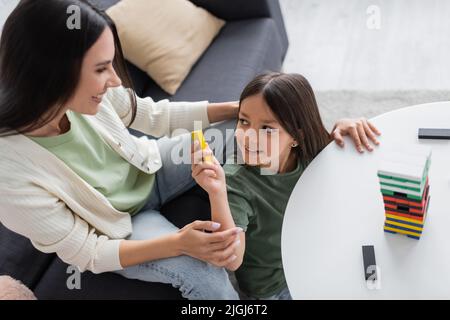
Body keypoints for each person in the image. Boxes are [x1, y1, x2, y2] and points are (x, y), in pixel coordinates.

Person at [191, 72, 381, 300]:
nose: (249, 136)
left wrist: (344, 124)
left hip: (316, 255)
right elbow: (232, 260)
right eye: (244, 121)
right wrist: (217, 192)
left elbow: (349, 173)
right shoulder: (235, 181)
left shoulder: (309, 154)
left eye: (267, 129)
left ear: (296, 137)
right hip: (274, 287)